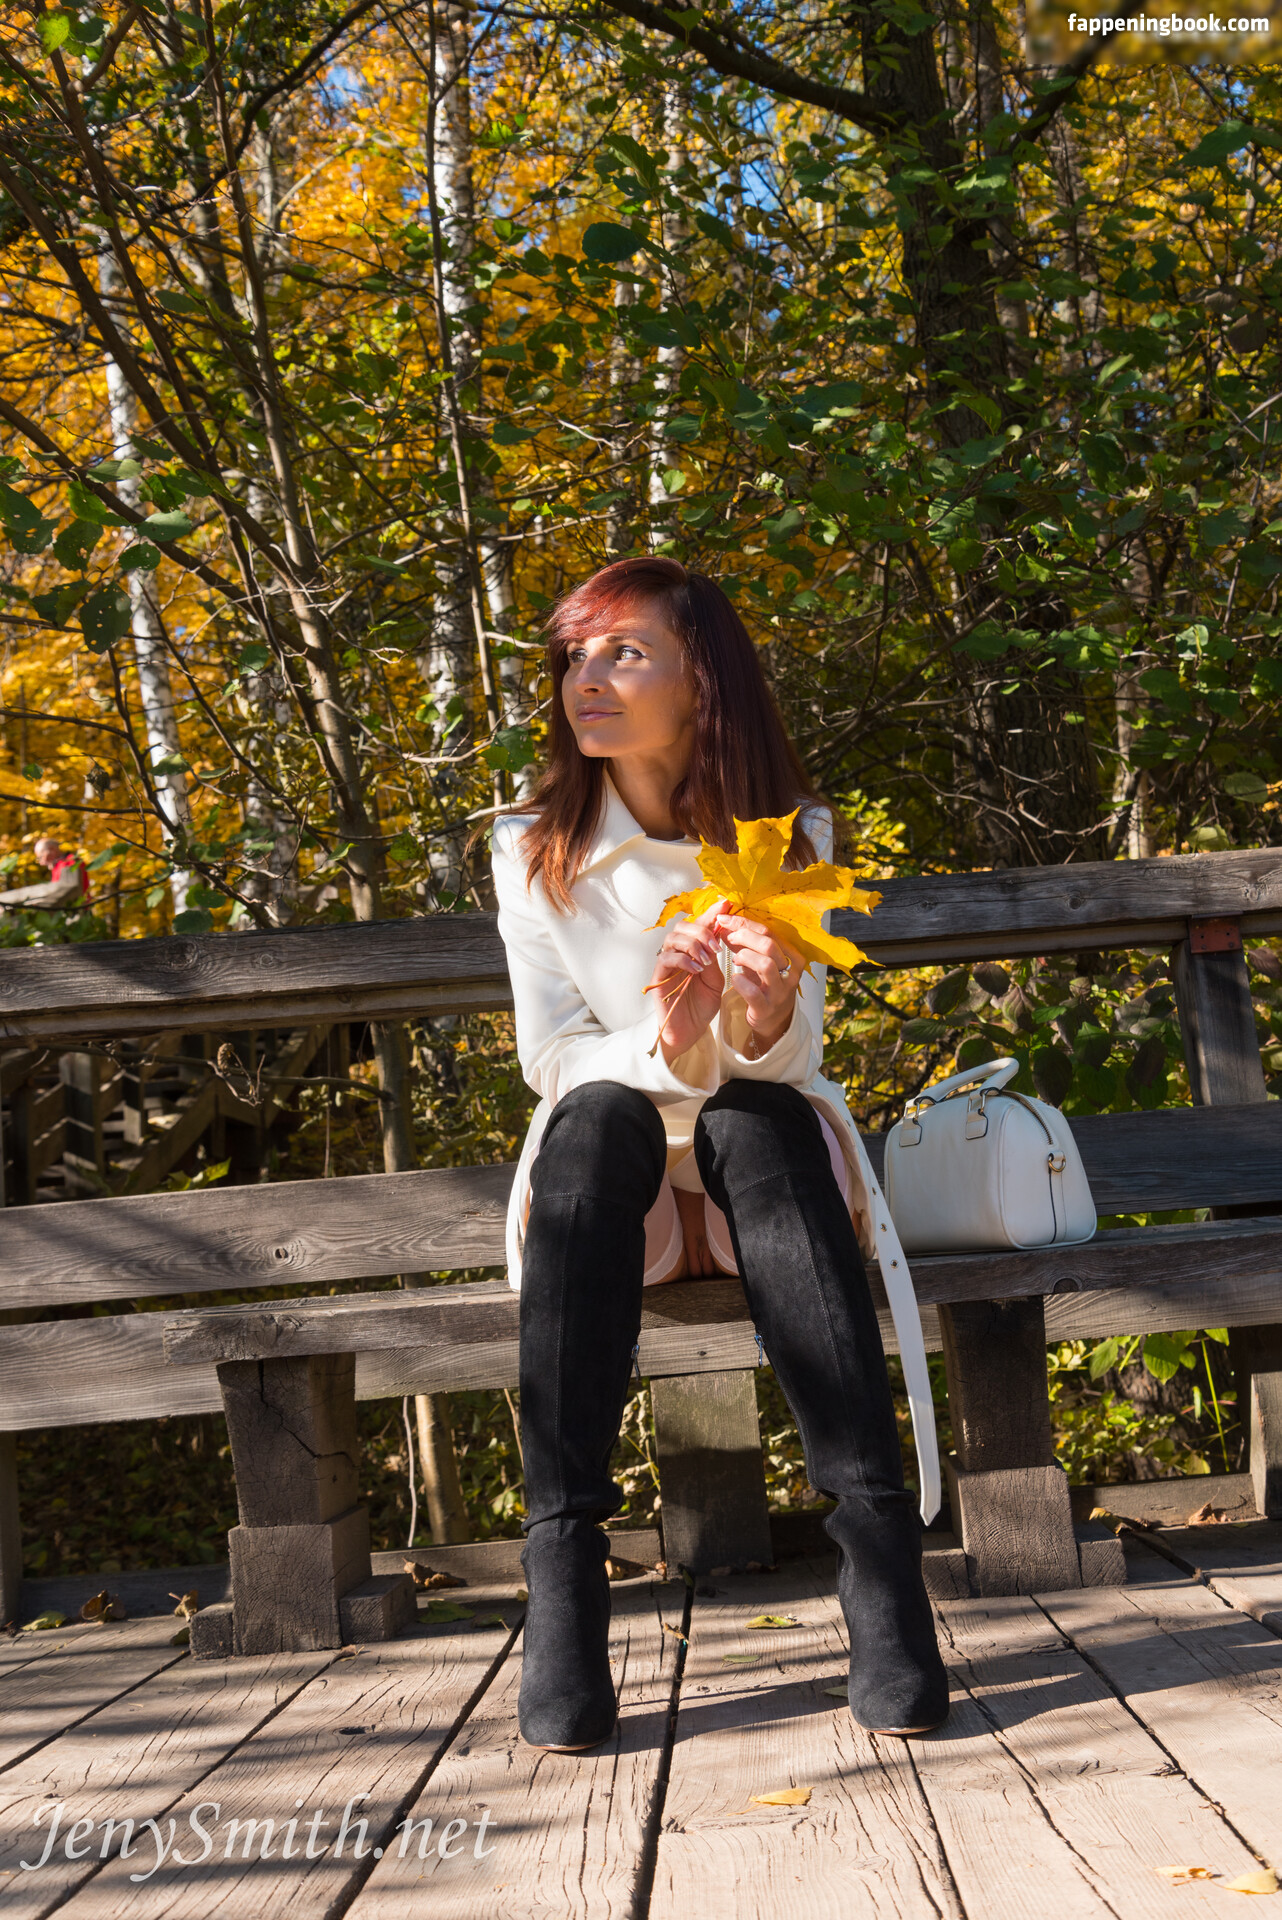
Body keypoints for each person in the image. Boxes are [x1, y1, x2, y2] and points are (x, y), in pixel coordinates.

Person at [491, 555, 947, 1754]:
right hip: (619, 1196)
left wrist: (756, 1014)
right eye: (574, 657)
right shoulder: (532, 847)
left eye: (624, 652)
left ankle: (884, 1580)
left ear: (703, 680)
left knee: (757, 1118)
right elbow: (552, 1057)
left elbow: (791, 1058)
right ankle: (565, 1586)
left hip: (764, 1177)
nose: (585, 679)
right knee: (597, 1118)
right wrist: (667, 1038)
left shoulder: (792, 836)